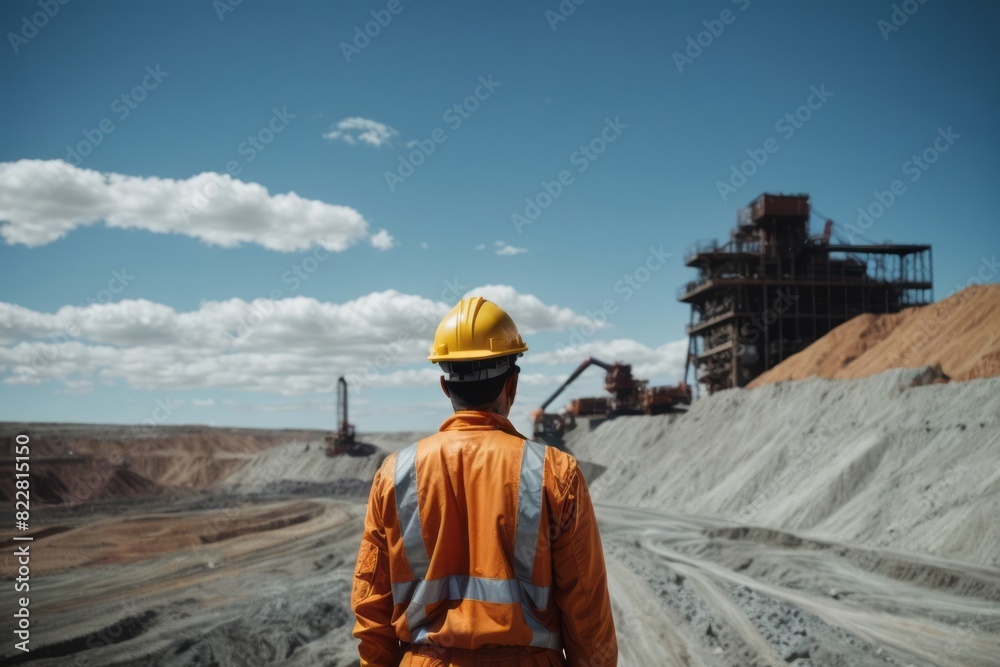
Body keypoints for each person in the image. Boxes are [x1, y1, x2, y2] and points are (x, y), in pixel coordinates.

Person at [351, 296, 617, 666]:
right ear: (513, 383)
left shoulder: (394, 473)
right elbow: (587, 608)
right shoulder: (555, 472)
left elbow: (371, 609)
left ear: (445, 386)